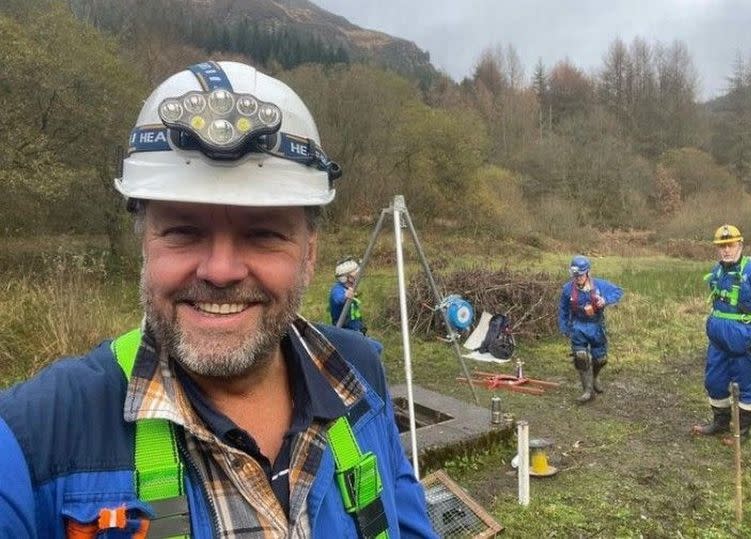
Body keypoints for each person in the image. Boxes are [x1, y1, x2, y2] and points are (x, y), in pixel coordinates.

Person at [0, 61, 435, 537]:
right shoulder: (35, 437)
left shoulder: (358, 379)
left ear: (309, 254)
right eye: (184, 231)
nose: (221, 272)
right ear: (145, 242)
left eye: (263, 234)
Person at [691, 225, 751, 445]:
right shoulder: (718, 271)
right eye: (721, 246)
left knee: (745, 386)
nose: (726, 250)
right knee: (714, 381)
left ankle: (742, 432)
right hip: (718, 342)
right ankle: (720, 423)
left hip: (745, 343)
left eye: (730, 245)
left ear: (740, 245)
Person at [558, 255, 624, 403]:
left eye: (580, 275)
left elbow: (618, 291)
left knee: (601, 359)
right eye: (575, 275)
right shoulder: (567, 289)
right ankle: (587, 391)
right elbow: (562, 310)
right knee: (581, 358)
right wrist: (564, 328)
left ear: (587, 272)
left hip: (596, 326)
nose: (578, 278)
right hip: (578, 326)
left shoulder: (600, 285)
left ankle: (594, 378)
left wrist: (605, 300)